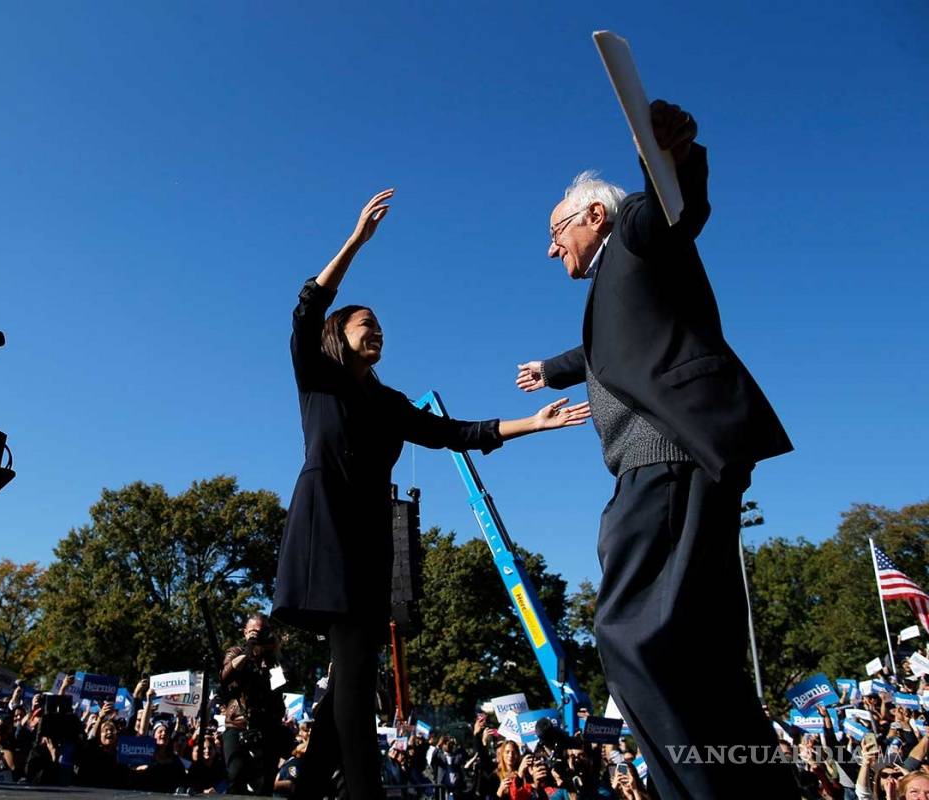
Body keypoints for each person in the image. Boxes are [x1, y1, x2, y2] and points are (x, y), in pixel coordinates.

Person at [516, 100, 796, 798]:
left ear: (594, 217)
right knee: (700, 653)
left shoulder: (637, 237)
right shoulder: (626, 284)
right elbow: (608, 348)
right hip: (678, 461)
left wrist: (667, 157)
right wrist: (552, 370)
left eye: (557, 232)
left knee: (635, 635)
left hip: (663, 458)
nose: (552, 249)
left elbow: (670, 210)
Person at [274, 188, 591, 800]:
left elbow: (456, 433)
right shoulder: (318, 378)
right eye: (369, 325)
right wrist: (356, 242)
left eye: (384, 330)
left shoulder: (388, 403)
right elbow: (306, 308)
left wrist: (535, 423)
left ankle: (312, 785)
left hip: (369, 538)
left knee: (354, 675)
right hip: (326, 531)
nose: (380, 334)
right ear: (341, 334)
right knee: (357, 669)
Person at [221, 612, 290, 795]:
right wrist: (248, 650)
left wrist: (276, 651)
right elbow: (226, 675)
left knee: (264, 783)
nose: (258, 635)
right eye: (253, 631)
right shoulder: (235, 652)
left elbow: (284, 683)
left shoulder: (272, 660)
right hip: (238, 723)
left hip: (266, 727)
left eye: (262, 631)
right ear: (245, 632)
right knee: (236, 775)